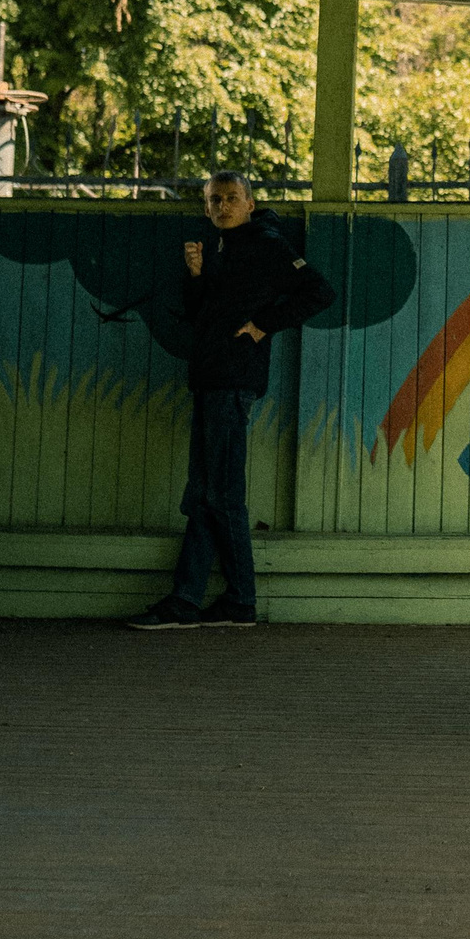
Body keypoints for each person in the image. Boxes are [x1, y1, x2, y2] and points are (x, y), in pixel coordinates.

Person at [128, 171, 334, 631]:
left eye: (231, 198)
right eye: (214, 200)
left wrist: (264, 325)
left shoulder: (266, 242)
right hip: (210, 378)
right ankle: (200, 601)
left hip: (232, 379)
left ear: (249, 202)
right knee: (206, 494)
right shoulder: (222, 248)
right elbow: (205, 315)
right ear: (205, 207)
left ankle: (231, 600)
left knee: (219, 495)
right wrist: (198, 276)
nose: (222, 206)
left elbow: (320, 292)